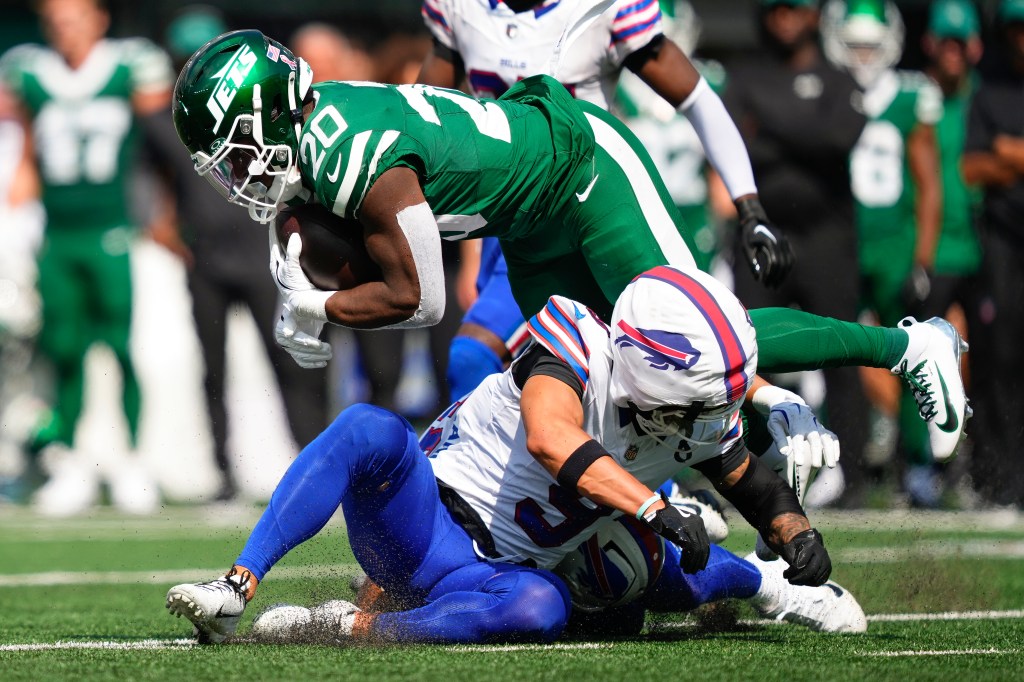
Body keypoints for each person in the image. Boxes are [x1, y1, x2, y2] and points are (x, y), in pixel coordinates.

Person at [170, 30, 969, 472]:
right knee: (601, 375)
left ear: (268, 114)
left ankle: (908, 346)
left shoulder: (356, 159)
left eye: (234, 151)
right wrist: (312, 288)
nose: (236, 173)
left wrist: (317, 307)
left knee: (702, 335)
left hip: (581, 170)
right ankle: (729, 446)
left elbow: (423, 300)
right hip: (523, 217)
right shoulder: (318, 145)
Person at [165, 264, 863, 644]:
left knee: (554, 604)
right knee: (369, 427)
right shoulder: (573, 344)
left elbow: (752, 482)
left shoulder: (682, 409)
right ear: (655, 373)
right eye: (705, 396)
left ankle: (349, 625)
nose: (716, 413)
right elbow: (553, 437)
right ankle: (237, 586)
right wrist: (654, 506)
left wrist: (796, 532)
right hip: (425, 526)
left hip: (520, 566)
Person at [143, 7, 330, 502]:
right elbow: (155, 185)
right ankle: (224, 472)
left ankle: (315, 465)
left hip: (259, 246)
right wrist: (165, 229)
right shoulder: (166, 122)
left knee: (290, 359)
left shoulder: (260, 110)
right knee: (213, 368)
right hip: (204, 256)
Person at [0, 0, 173, 515]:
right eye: (54, 18)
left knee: (119, 346)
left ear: (99, 18)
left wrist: (161, 212)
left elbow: (162, 141)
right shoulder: (29, 69)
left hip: (112, 227)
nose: (63, 28)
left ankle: (134, 462)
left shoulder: (129, 65)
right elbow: (26, 148)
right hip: (57, 233)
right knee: (64, 349)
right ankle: (69, 461)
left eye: (73, 16)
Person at [723, 0, 876, 505]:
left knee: (842, 351)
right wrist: (797, 130)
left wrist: (769, 125)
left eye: (795, 6)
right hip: (764, 234)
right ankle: (746, 476)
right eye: (776, 8)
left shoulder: (837, 78)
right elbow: (737, 147)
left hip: (828, 239)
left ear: (814, 15)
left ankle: (851, 475)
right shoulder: (745, 76)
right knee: (742, 354)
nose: (785, 16)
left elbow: (839, 139)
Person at [821, 0, 945, 506]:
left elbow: (929, 183)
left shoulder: (911, 96)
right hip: (843, 243)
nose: (864, 56)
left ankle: (919, 467)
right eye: (855, 45)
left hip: (893, 245)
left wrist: (923, 255)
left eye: (871, 44)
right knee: (836, 358)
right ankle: (839, 465)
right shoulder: (828, 92)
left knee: (916, 356)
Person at [961, 0, 1024, 508]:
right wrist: (1000, 160)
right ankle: (1003, 478)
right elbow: (971, 168)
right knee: (1000, 356)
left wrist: (1012, 152)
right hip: (1004, 239)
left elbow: (998, 158)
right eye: (1017, 29)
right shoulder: (991, 94)